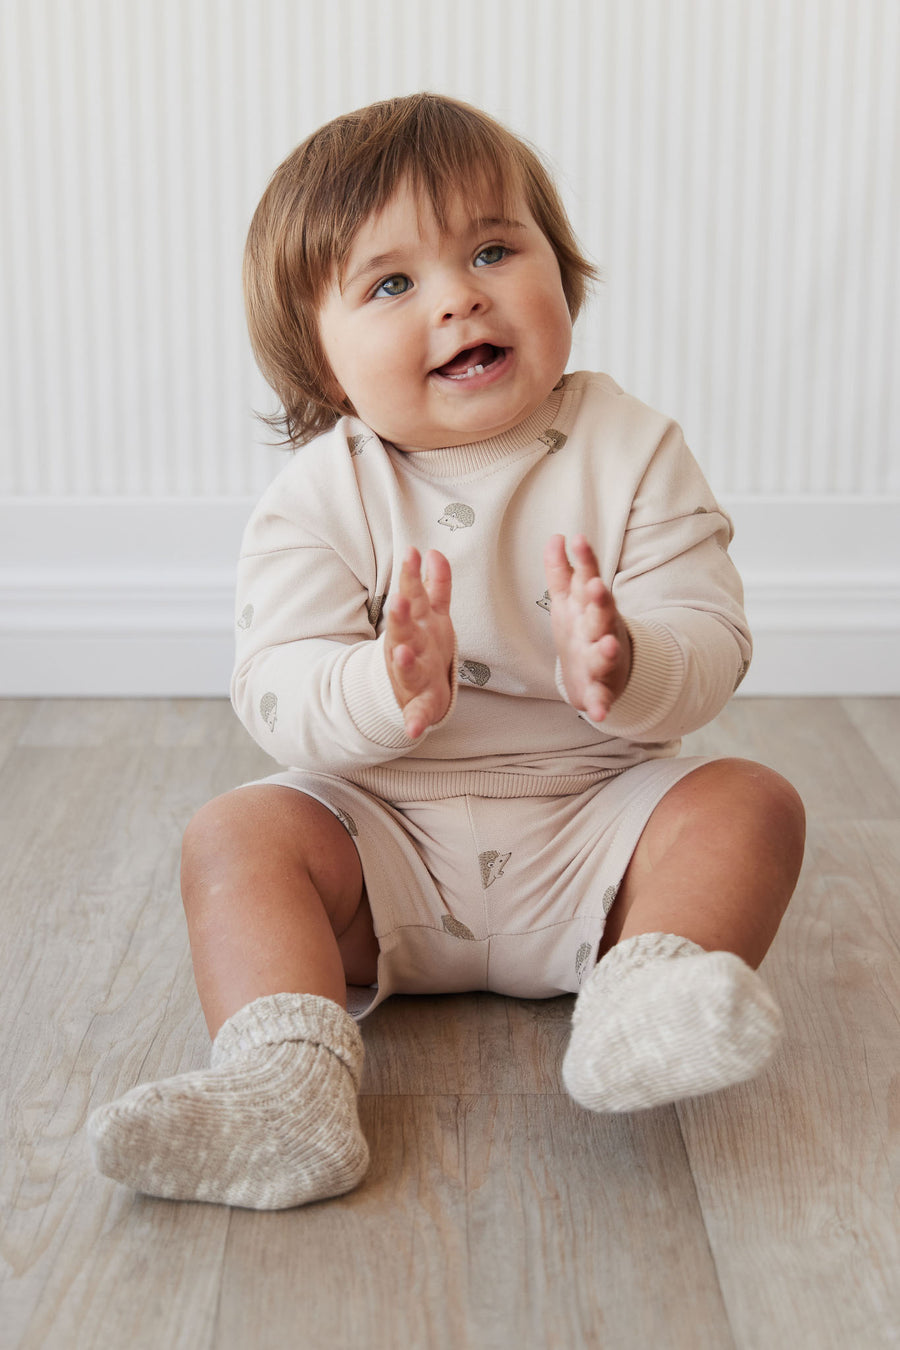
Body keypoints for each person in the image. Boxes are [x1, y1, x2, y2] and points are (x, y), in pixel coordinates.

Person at [88, 93, 805, 1210]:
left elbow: (715, 639)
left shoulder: (634, 446)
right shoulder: (321, 495)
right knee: (236, 837)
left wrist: (628, 662)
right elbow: (273, 691)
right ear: (323, 369)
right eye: (392, 284)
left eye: (492, 249)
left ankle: (640, 996)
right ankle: (285, 1088)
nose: (461, 295)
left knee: (751, 803)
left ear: (559, 274)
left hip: (599, 825)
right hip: (388, 842)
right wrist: (378, 689)